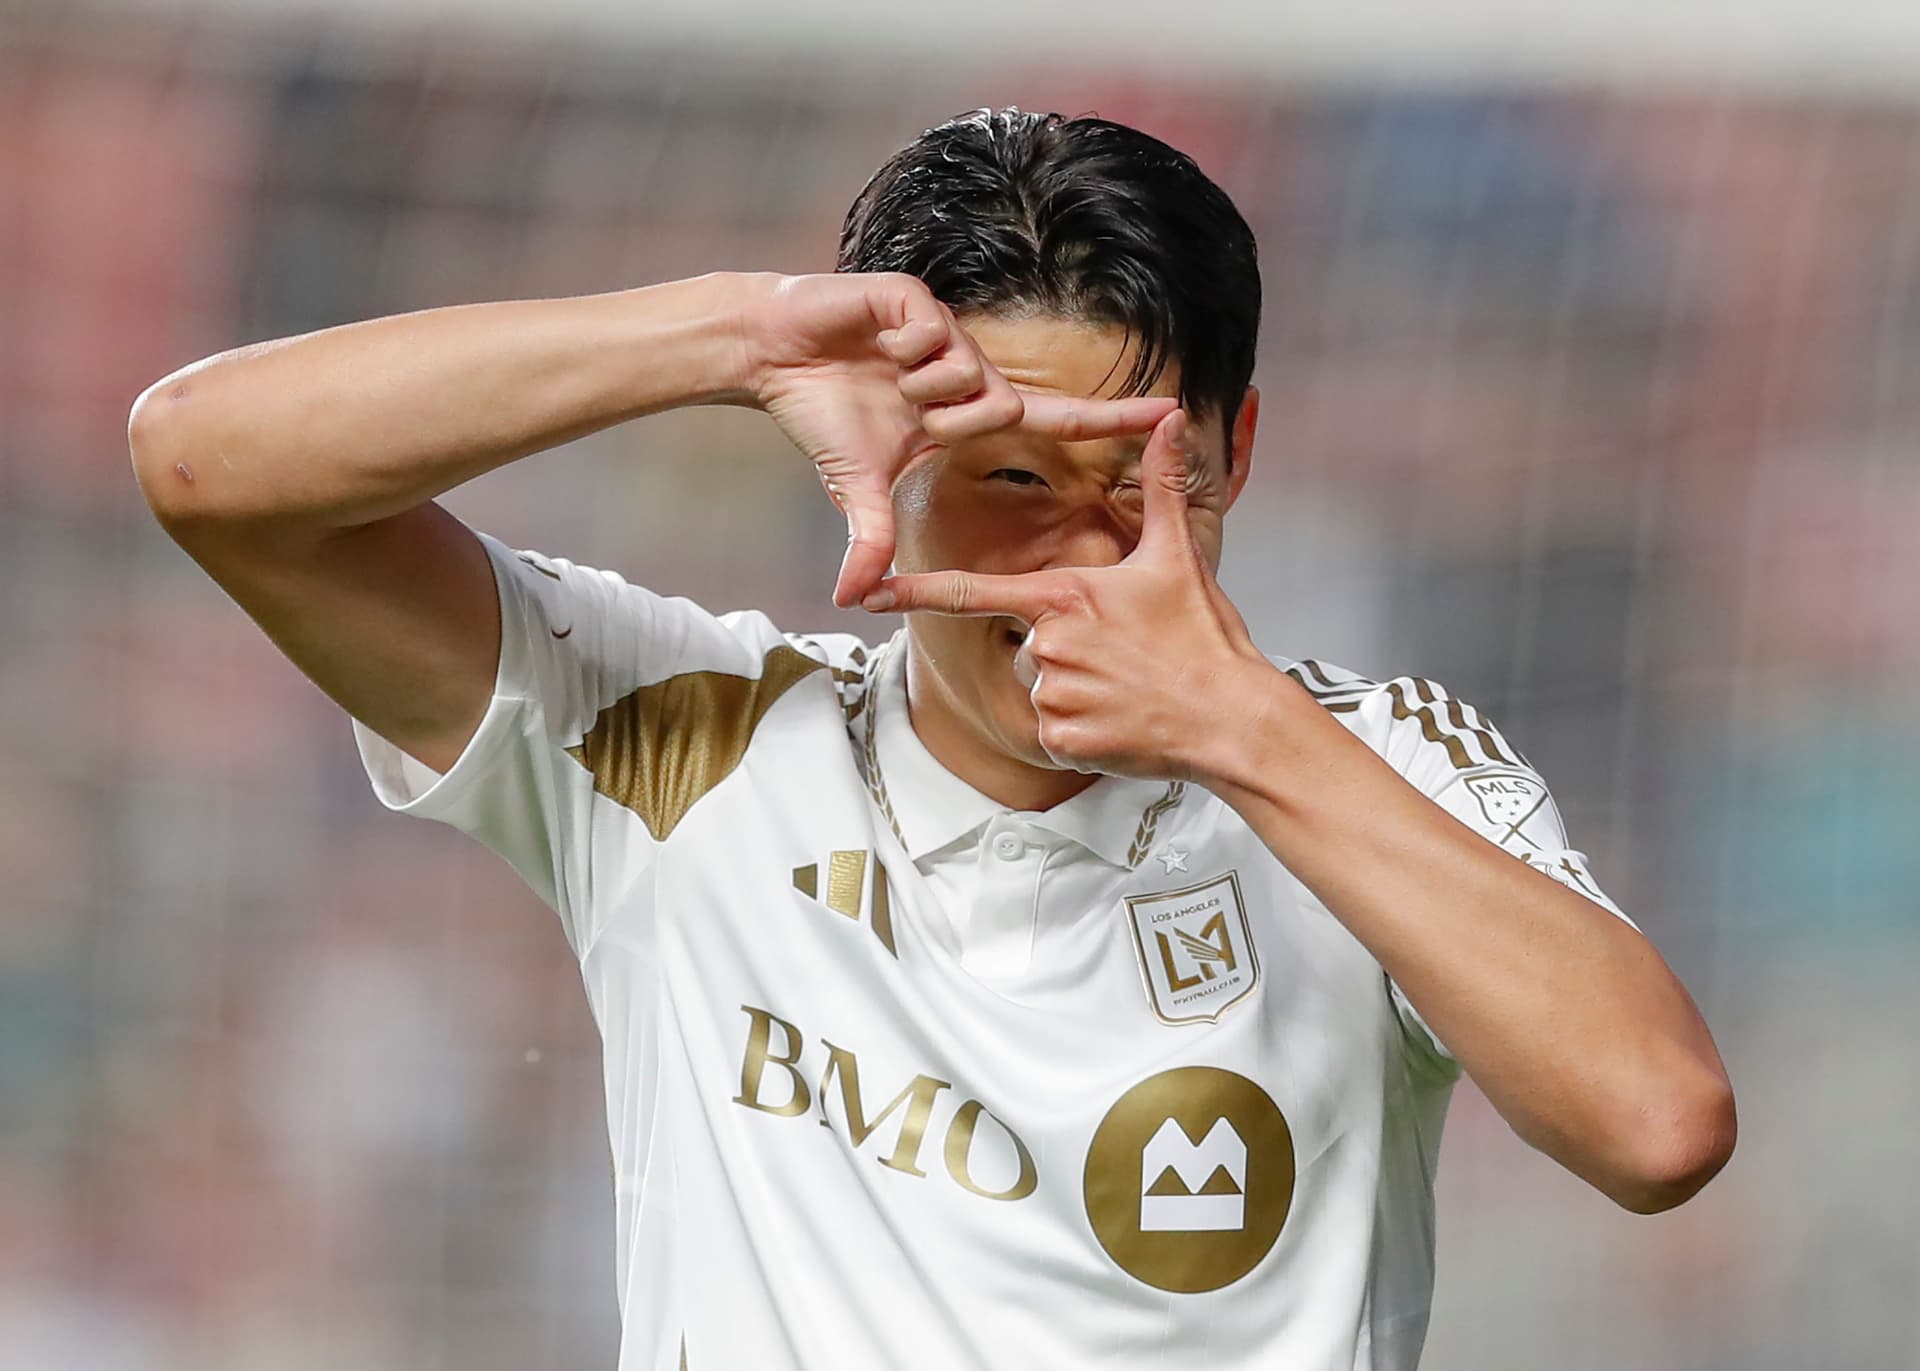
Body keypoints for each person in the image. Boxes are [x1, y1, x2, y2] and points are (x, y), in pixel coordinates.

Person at [129, 108, 1734, 1371]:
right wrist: (732, 340)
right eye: (1010, 480)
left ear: (1240, 452)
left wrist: (1248, 735)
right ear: (888, 458)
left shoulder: (1370, 765)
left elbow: (1657, 1127)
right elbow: (204, 462)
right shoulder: (688, 737)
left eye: (1135, 492)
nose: (1071, 568)